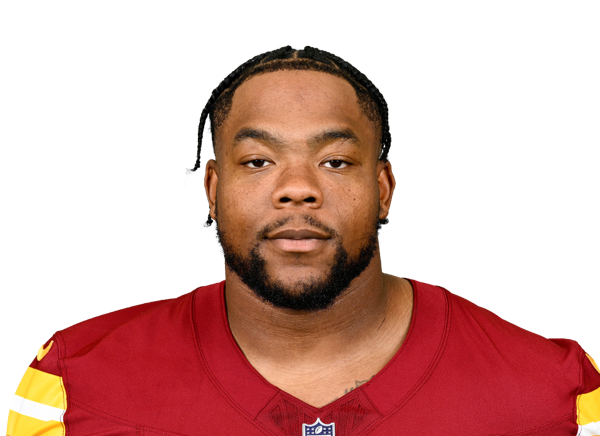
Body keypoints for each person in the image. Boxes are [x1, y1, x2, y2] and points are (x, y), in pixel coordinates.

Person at [7, 45, 599, 436]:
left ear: (384, 189)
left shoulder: (557, 395)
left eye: (335, 161)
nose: (297, 189)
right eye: (258, 161)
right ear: (212, 188)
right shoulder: (72, 384)